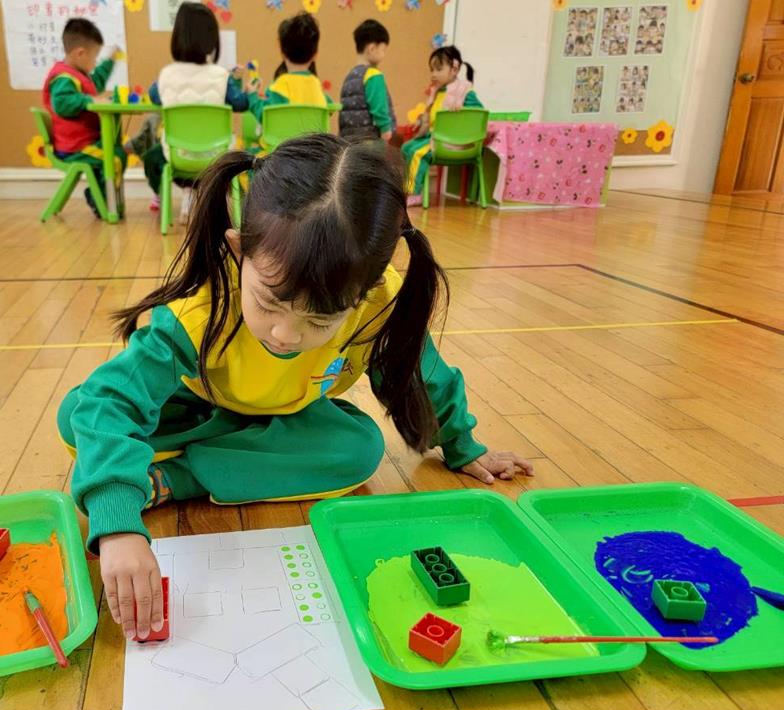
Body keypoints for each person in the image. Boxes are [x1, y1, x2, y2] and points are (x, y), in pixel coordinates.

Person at [56, 134, 533, 639]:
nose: (285, 335)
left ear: (366, 292)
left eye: (320, 320)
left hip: (286, 421)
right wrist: (117, 522)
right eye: (269, 303)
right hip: (195, 410)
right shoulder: (203, 306)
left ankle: (178, 478)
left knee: (359, 449)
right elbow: (110, 400)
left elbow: (421, 374)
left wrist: (462, 445)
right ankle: (195, 464)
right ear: (239, 250)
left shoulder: (379, 306)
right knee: (78, 416)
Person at [141, 2, 250, 218]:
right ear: (212, 40)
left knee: (152, 156)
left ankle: (187, 192)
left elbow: (154, 95)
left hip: (178, 155)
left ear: (177, 38)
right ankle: (202, 196)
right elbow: (241, 103)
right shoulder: (221, 76)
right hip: (215, 154)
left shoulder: (166, 76)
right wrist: (240, 85)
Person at [42, 18, 121, 218]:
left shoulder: (79, 75)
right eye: (94, 58)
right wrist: (89, 100)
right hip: (75, 146)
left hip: (82, 143)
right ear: (80, 53)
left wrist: (110, 61)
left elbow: (95, 83)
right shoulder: (64, 78)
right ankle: (102, 201)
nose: (95, 63)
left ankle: (100, 196)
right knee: (114, 157)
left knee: (114, 152)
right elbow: (62, 103)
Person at [400, 46, 483, 207]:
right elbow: (430, 114)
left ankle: (415, 193)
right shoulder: (437, 91)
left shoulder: (465, 91)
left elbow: (478, 114)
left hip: (452, 142)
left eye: (439, 69)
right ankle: (407, 188)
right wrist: (421, 120)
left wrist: (462, 110)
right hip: (435, 137)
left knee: (417, 153)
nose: (433, 74)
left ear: (454, 69)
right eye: (432, 70)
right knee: (406, 147)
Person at [247, 12, 330, 124]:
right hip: (314, 136)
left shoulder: (280, 86)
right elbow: (328, 106)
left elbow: (264, 116)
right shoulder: (316, 84)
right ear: (315, 55)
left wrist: (252, 96)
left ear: (282, 53)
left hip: (285, 136)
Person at [339, 19, 396, 143]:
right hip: (370, 139)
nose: (384, 55)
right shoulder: (373, 75)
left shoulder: (350, 76)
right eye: (383, 50)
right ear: (372, 49)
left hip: (348, 140)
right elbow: (379, 106)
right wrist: (386, 128)